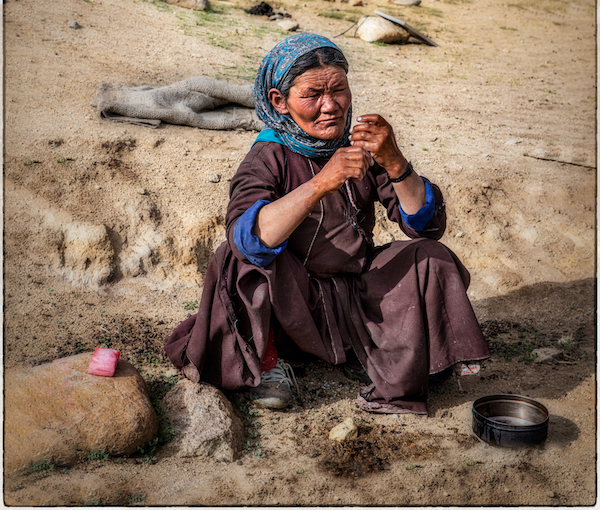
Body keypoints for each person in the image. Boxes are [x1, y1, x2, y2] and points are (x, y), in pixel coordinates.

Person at [165, 33, 489, 415]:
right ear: (279, 101)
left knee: (430, 256)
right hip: (293, 308)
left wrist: (395, 162)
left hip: (356, 302)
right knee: (237, 258)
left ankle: (391, 354)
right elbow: (249, 240)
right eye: (313, 95)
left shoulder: (360, 148)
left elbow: (425, 225)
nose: (330, 106)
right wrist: (321, 182)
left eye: (339, 90)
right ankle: (267, 361)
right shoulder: (268, 157)